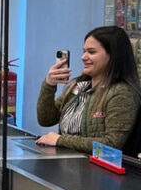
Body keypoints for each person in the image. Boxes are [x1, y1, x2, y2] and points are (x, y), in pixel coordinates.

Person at [36, 25, 141, 153]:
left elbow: (111, 145)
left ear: (113, 55)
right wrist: (49, 85)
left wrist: (60, 140)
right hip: (69, 164)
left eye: (91, 52)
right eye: (84, 51)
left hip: (98, 170)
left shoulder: (122, 93)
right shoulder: (79, 85)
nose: (83, 57)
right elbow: (46, 119)